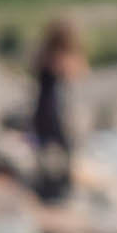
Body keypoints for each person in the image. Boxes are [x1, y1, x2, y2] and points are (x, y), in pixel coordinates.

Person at [29, 17, 88, 203]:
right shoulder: (55, 56)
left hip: (44, 107)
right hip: (54, 108)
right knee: (63, 148)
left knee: (47, 148)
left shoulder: (44, 54)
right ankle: (58, 188)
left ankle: (49, 186)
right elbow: (75, 72)